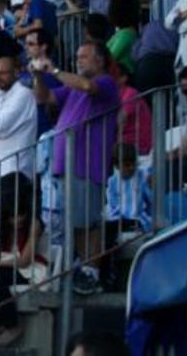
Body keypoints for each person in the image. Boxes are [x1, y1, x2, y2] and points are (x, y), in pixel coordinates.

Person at [33, 41, 120, 295]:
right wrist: (39, 75)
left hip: (87, 163)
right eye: (77, 56)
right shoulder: (72, 88)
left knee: (87, 222)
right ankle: (86, 271)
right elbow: (44, 97)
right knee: (77, 222)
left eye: (84, 56)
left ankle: (91, 273)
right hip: (66, 165)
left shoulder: (105, 83)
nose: (79, 60)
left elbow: (86, 85)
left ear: (100, 61)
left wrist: (54, 70)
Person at [0, 56, 37, 183]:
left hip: (15, 170)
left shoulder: (23, 94)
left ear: (16, 72)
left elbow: (1, 126)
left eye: (3, 73)